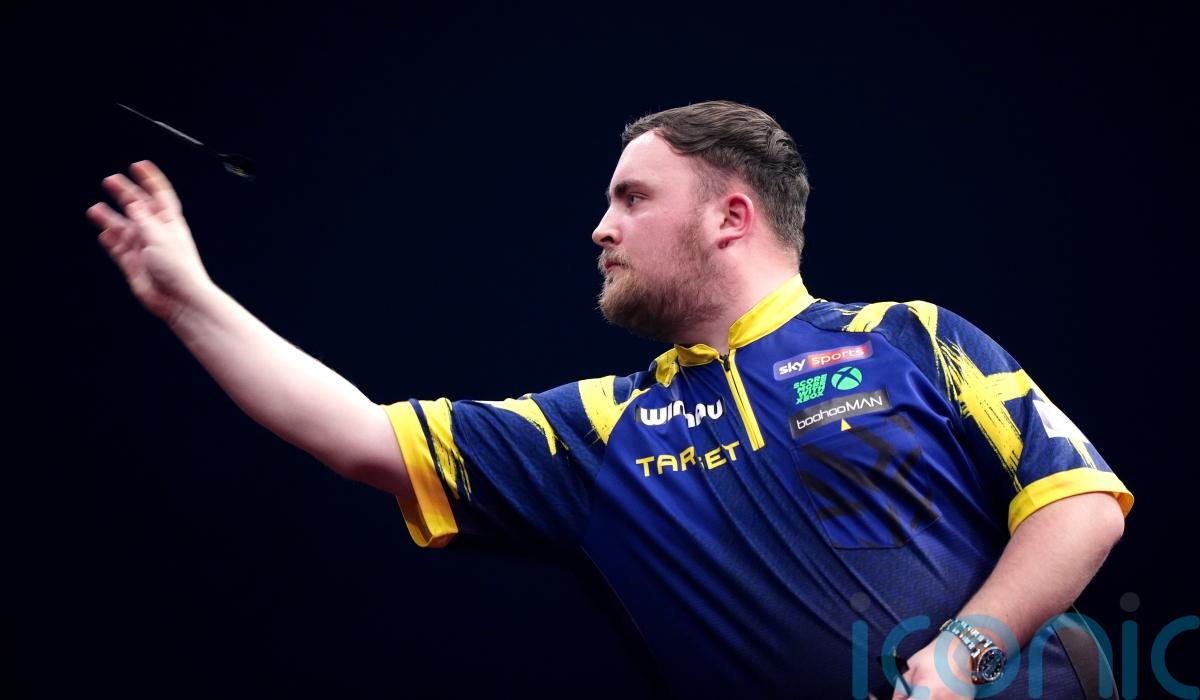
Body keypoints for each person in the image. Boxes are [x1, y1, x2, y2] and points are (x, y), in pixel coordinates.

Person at [88, 100, 1132, 699]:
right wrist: (187, 298)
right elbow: (359, 435)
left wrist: (962, 658)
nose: (600, 227)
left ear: (730, 217)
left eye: (631, 198)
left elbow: (1080, 504)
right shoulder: (595, 430)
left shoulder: (911, 338)